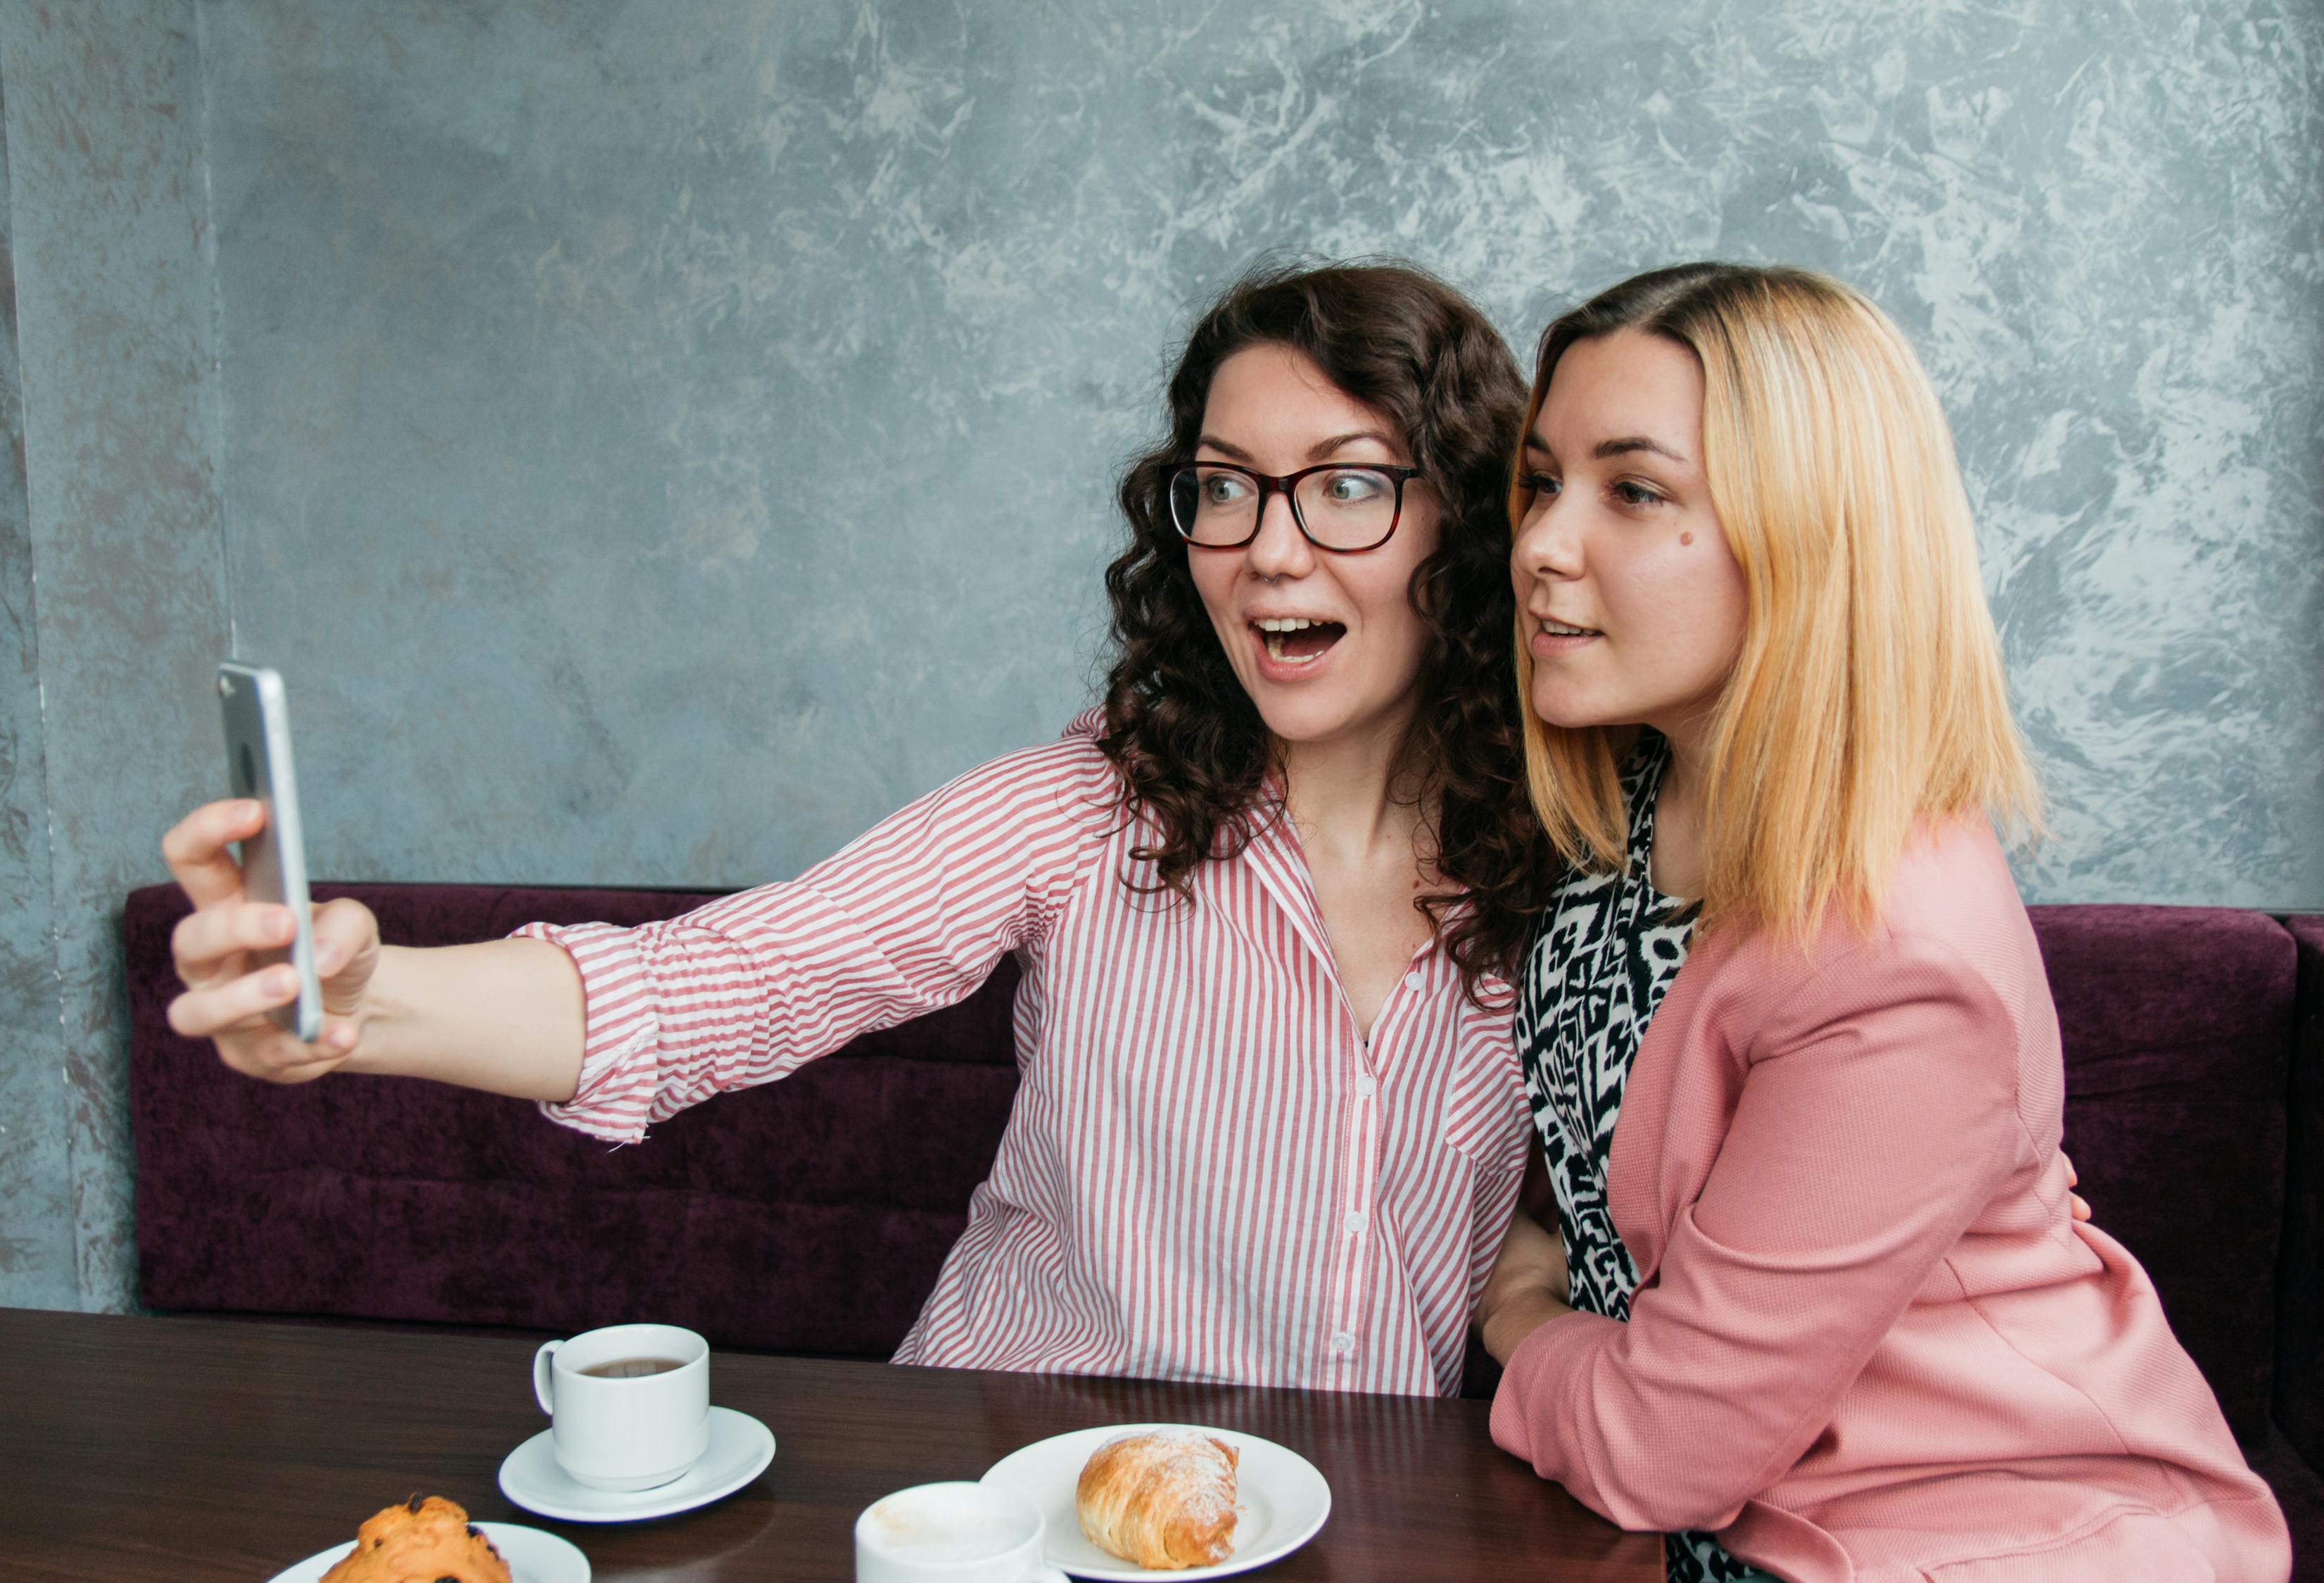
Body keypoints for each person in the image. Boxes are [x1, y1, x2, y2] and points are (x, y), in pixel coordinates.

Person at [160, 260, 1549, 1397]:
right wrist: (360, 1000)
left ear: (1464, 526)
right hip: (1016, 1508)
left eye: (1349, 482)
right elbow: (722, 985)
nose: (1269, 547)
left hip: (1358, 1531)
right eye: (1226, 483)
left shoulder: (1560, 877)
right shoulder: (1073, 815)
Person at [1471, 261, 2290, 1581]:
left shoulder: (1899, 954)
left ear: (1813, 535)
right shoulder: (1630, 780)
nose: (1539, 544)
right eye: (1542, 480)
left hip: (1978, 1537)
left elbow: (1655, 1444)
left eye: (1634, 491)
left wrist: (1515, 1313)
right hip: (1690, 1523)